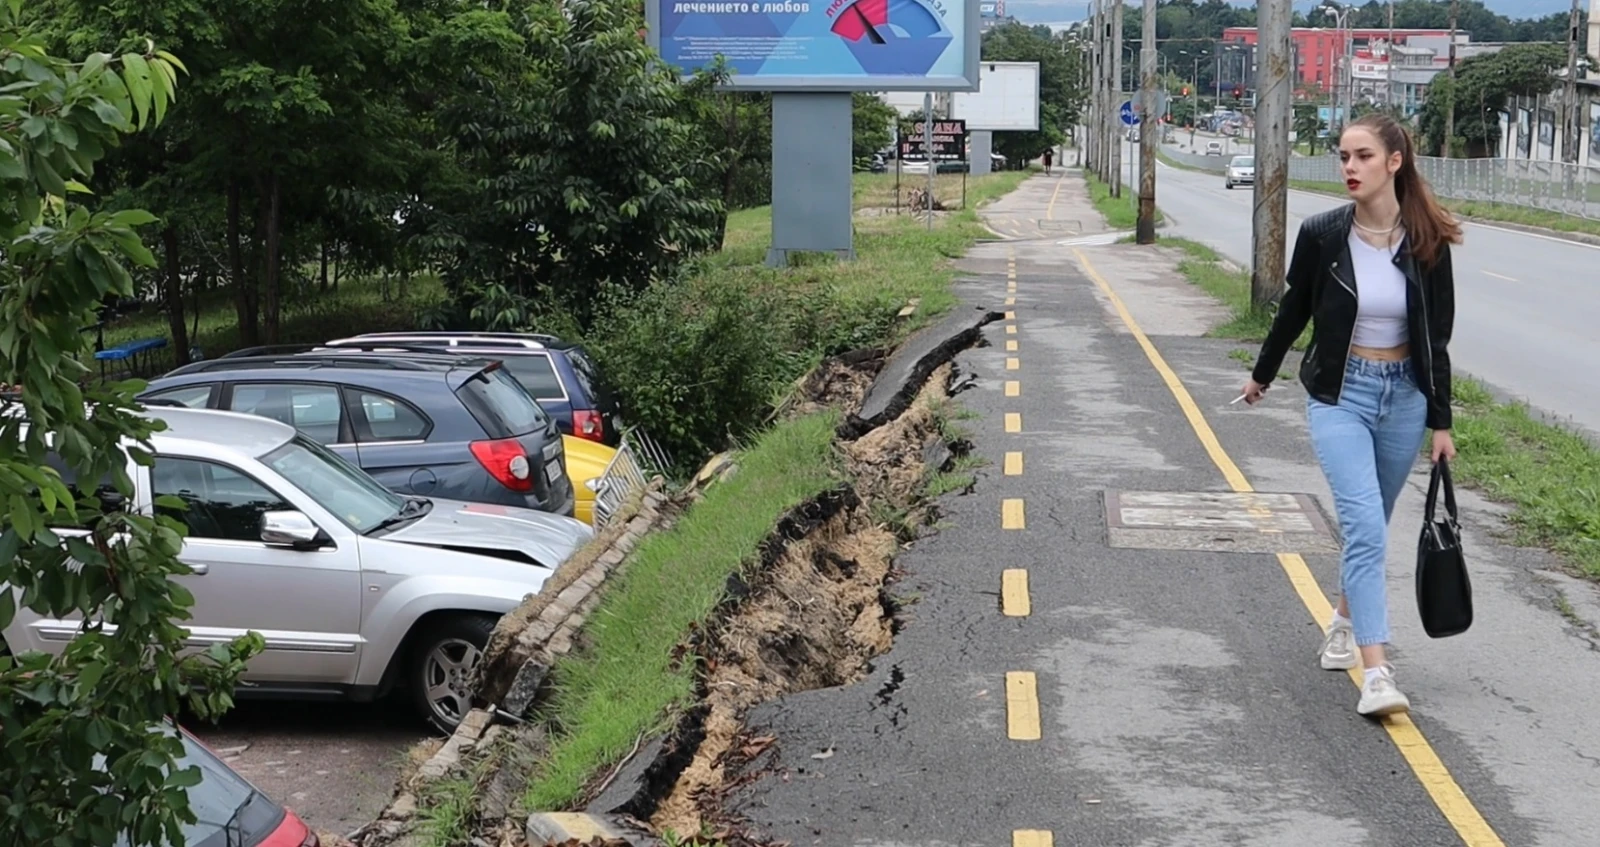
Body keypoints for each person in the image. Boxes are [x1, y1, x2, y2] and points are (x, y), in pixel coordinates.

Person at [1240, 113, 1462, 718]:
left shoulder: (1426, 239)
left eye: (1362, 156)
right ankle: (1378, 671)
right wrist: (1262, 376)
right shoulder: (1323, 233)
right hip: (1342, 393)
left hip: (1405, 399)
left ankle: (1341, 619)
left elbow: (1435, 339)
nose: (1349, 168)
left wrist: (1440, 423)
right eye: (1343, 157)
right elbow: (1293, 313)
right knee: (1363, 525)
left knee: (1375, 521)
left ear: (1394, 161)